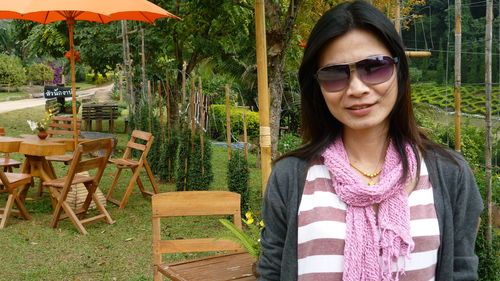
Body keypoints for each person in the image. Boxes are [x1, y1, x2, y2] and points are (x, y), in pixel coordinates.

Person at [257, 1, 483, 280]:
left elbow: (462, 272)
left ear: (399, 70)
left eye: (374, 67)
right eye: (334, 74)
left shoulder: (450, 174)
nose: (357, 89)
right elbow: (271, 273)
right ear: (317, 86)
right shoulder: (290, 178)